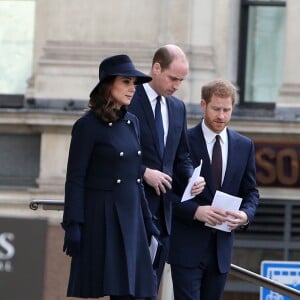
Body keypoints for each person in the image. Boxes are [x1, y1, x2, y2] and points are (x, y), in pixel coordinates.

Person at [62, 54, 160, 300]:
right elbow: (75, 177)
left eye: (134, 84)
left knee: (142, 292)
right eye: (126, 82)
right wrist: (73, 224)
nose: (132, 89)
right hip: (103, 216)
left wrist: (148, 222)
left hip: (132, 216)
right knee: (119, 291)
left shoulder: (132, 122)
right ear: (108, 84)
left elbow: (136, 178)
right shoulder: (87, 126)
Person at [168, 79, 259, 300]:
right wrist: (195, 212)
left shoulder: (244, 145)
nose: (221, 116)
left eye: (226, 110)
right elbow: (165, 193)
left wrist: (245, 215)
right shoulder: (183, 140)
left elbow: (251, 192)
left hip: (221, 251)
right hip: (186, 249)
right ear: (203, 105)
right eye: (216, 109)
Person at [128, 44, 205, 290]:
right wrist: (143, 173)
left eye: (182, 80)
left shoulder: (177, 107)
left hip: (164, 212)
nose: (177, 86)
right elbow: (112, 154)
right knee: (128, 286)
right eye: (173, 78)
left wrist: (192, 177)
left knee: (152, 286)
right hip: (132, 207)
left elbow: (181, 156)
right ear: (156, 68)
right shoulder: (129, 98)